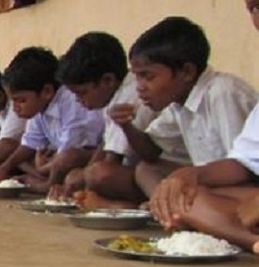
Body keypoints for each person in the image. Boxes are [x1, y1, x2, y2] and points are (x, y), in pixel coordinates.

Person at [147, 3, 259, 243]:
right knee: (188, 198)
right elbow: (245, 162)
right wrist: (190, 174)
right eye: (254, 9)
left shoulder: (224, 91)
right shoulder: (177, 105)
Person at [111, 16, 257, 200]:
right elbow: (151, 151)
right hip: (211, 182)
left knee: (192, 194)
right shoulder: (179, 103)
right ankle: (165, 207)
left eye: (148, 76)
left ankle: (175, 208)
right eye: (137, 77)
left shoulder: (223, 93)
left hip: (240, 186)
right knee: (146, 169)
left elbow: (244, 168)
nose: (139, 87)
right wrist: (126, 126)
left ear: (187, 72)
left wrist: (193, 181)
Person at [57, 31, 186, 206]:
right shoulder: (117, 94)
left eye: (82, 93)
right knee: (84, 172)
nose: (78, 101)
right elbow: (107, 145)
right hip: (150, 168)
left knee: (99, 174)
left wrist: (85, 187)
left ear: (108, 80)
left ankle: (125, 206)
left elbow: (112, 160)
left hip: (172, 170)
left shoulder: (131, 95)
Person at [0, 47, 104, 196]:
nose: (15, 108)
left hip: (87, 158)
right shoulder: (40, 108)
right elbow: (30, 142)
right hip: (57, 158)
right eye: (13, 101)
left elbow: (70, 152)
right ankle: (45, 179)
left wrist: (43, 168)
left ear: (47, 92)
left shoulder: (72, 101)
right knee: (17, 156)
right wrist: (2, 169)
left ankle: (48, 184)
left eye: (21, 100)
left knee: (69, 164)